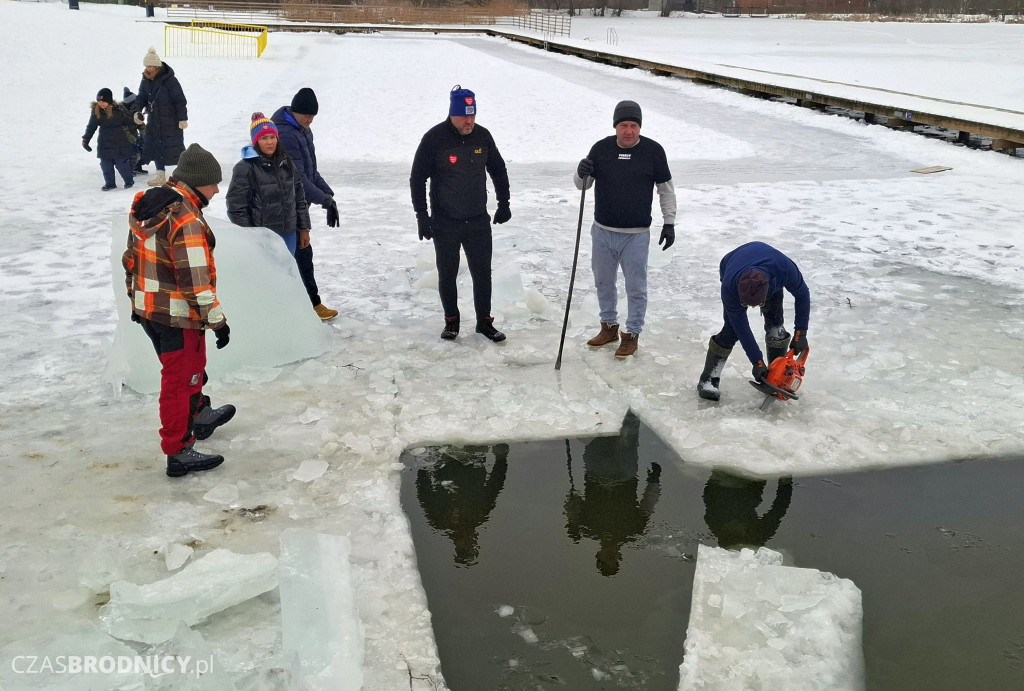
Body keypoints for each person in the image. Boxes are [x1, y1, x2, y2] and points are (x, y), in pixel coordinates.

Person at [123, 143, 235, 478]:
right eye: (213, 183)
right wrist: (218, 322)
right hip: (175, 314)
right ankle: (178, 450)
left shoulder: (151, 203)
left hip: (149, 308)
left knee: (190, 369)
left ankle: (198, 413)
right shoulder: (186, 219)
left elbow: (131, 257)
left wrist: (135, 298)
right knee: (177, 383)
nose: (217, 189)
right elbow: (195, 283)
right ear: (198, 181)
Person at [574, 100, 676, 359]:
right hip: (603, 231)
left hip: (636, 235)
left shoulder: (653, 151)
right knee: (603, 282)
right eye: (623, 125)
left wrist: (669, 222)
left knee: (636, 286)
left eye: (633, 125)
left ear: (639, 127)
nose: (628, 131)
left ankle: (631, 335)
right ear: (616, 126)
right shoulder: (600, 149)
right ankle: (608, 327)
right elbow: (581, 186)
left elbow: (666, 190)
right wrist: (580, 171)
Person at [409, 85, 512, 342]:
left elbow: (498, 170)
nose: (469, 121)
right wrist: (422, 216)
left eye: (472, 115)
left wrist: (504, 202)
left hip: (477, 219)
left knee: (482, 272)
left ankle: (484, 322)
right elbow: (417, 178)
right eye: (464, 115)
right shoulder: (434, 138)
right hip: (446, 221)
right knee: (447, 272)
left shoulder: (483, 136)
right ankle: (451, 321)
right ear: (452, 114)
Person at [697, 241, 810, 401]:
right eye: (746, 304)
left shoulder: (783, 269)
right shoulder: (730, 288)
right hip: (732, 263)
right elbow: (740, 326)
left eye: (759, 304)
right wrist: (756, 361)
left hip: (771, 271)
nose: (753, 308)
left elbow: (802, 293)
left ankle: (775, 376)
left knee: (776, 329)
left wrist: (801, 332)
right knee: (731, 331)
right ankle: (708, 379)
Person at [564, 412, 661, 577]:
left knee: (598, 437)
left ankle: (599, 405)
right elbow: (647, 505)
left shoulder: (588, 528)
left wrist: (572, 521)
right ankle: (629, 408)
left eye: (604, 559)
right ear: (619, 557)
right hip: (624, 475)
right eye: (612, 560)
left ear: (598, 555)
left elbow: (572, 500)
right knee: (626, 439)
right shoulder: (633, 530)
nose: (609, 556)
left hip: (596, 472)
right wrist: (654, 482)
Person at [271, 88, 339, 321]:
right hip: (285, 206)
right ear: (295, 111)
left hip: (298, 203)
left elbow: (311, 171)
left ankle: (310, 304)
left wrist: (327, 195)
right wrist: (324, 199)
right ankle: (305, 306)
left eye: (313, 117)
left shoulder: (302, 131)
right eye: (306, 116)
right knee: (297, 255)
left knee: (302, 254)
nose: (310, 120)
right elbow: (298, 177)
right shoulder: (287, 135)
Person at [226, 113, 311, 259]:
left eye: (272, 137)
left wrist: (304, 228)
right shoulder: (245, 168)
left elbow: (299, 197)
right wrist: (251, 235)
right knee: (269, 278)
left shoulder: (286, 162)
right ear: (256, 141)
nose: (270, 142)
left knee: (287, 275)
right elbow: (236, 207)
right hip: (263, 237)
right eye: (264, 138)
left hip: (289, 233)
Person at [415, 444, 508, 566]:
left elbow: (424, 491)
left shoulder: (440, 521)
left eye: (465, 547)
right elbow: (495, 483)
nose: (470, 542)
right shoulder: (479, 515)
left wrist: (424, 465)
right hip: (473, 457)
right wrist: (501, 458)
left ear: (457, 547)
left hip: (446, 459)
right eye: (472, 545)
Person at [132, 47, 188, 187]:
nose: (148, 69)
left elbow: (179, 99)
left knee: (175, 148)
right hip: (154, 120)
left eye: (150, 66)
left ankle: (184, 173)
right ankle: (160, 175)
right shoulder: (145, 80)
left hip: (171, 120)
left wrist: (182, 118)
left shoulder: (170, 80)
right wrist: (136, 111)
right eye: (146, 66)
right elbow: (141, 98)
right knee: (156, 147)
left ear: (157, 66)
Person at [703, 471, 792, 550]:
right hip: (747, 487)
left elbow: (708, 496)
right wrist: (785, 484)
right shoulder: (758, 534)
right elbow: (779, 508)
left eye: (732, 525)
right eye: (736, 526)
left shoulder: (715, 521)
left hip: (723, 485)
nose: (735, 523)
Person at [81, 87, 135, 191]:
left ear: (109, 101)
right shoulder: (96, 112)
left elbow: (128, 121)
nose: (100, 103)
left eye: (103, 101)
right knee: (106, 165)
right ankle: (110, 183)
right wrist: (86, 139)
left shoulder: (118, 111)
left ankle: (129, 181)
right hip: (104, 143)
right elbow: (91, 126)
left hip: (119, 142)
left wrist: (136, 120)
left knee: (122, 164)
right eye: (99, 100)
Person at [122, 87, 148, 175]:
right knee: (133, 153)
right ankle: (129, 169)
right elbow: (124, 131)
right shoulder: (121, 113)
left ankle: (137, 166)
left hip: (135, 137)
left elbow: (141, 125)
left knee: (142, 150)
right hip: (124, 139)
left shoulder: (135, 111)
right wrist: (135, 140)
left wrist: (143, 135)